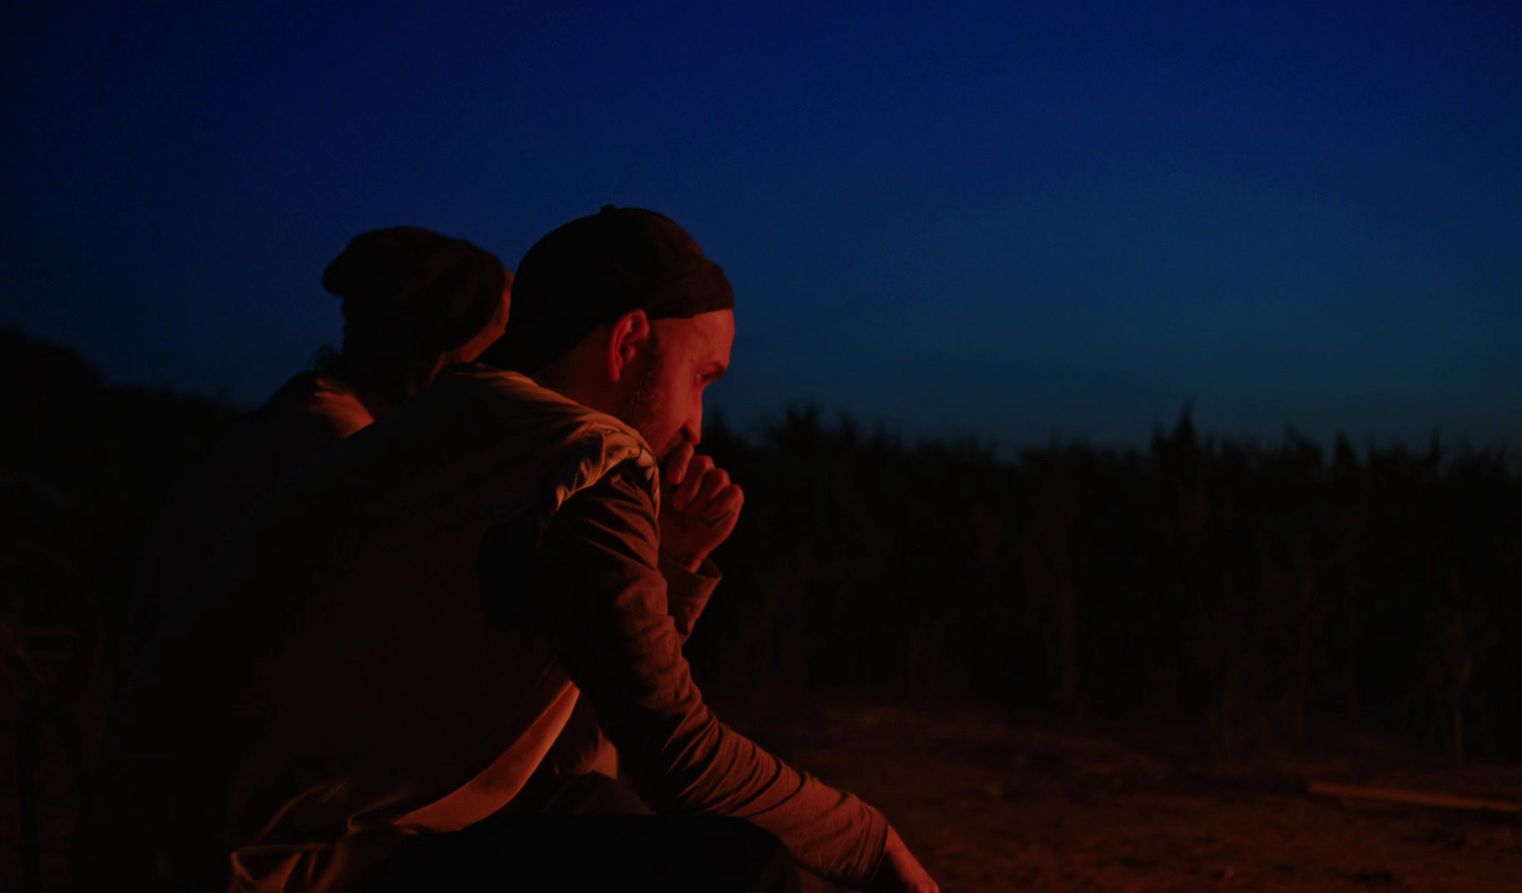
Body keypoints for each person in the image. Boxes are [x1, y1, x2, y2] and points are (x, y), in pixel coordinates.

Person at [108, 206, 938, 892]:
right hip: (282, 864)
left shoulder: (464, 424)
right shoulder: (587, 454)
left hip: (184, 833)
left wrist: (673, 565)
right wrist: (873, 842)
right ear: (628, 344)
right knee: (740, 868)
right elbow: (678, 753)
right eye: (703, 379)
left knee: (595, 813)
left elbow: (578, 749)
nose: (698, 426)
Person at [80, 227, 512, 889]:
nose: (499, 376)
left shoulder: (315, 424)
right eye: (490, 351)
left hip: (189, 802)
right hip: (216, 833)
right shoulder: (340, 450)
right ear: (438, 350)